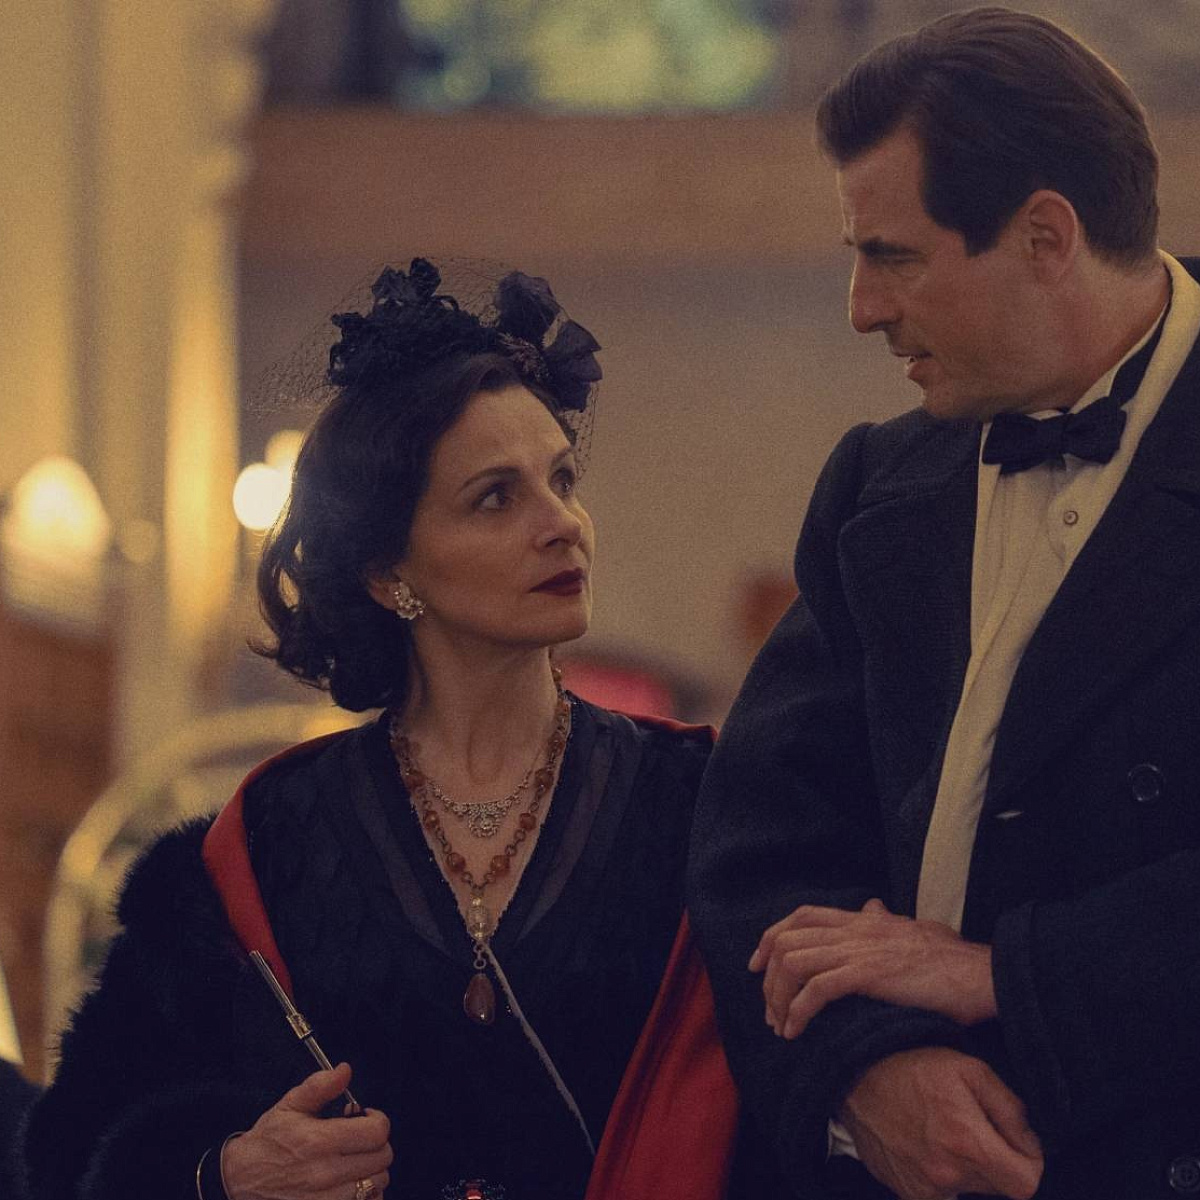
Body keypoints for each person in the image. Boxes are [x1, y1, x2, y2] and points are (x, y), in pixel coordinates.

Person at [24, 259, 750, 1200]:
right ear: (387, 572)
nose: (562, 523)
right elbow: (72, 1153)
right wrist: (223, 1173)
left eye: (562, 479)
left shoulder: (705, 803)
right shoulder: (264, 841)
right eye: (496, 497)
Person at [688, 8, 1200, 1200]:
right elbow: (758, 846)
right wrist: (868, 1071)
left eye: (894, 257)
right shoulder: (880, 482)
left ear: (1045, 236)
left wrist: (1004, 976)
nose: (862, 307)